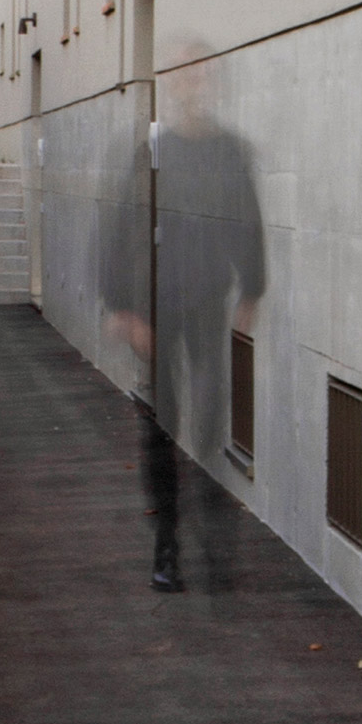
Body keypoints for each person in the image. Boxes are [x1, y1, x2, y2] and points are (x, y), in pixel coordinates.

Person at [109, 55, 264, 592]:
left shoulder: (227, 152)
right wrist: (123, 306)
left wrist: (254, 286)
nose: (192, 86)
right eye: (184, 77)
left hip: (206, 302)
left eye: (200, 76)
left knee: (210, 420)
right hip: (157, 304)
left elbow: (246, 216)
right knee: (162, 424)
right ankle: (168, 545)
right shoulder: (154, 153)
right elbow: (122, 225)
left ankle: (212, 541)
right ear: (173, 88)